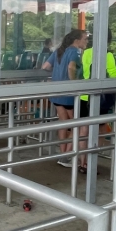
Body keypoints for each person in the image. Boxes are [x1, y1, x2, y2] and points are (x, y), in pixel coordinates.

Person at [43, 29, 89, 170]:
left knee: (63, 123)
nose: (86, 41)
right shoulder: (75, 52)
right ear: (77, 40)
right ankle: (66, 156)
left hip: (57, 93)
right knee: (78, 125)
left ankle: (63, 154)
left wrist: (57, 73)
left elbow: (45, 66)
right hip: (69, 95)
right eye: (85, 39)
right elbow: (71, 67)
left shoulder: (59, 51)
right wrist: (73, 83)